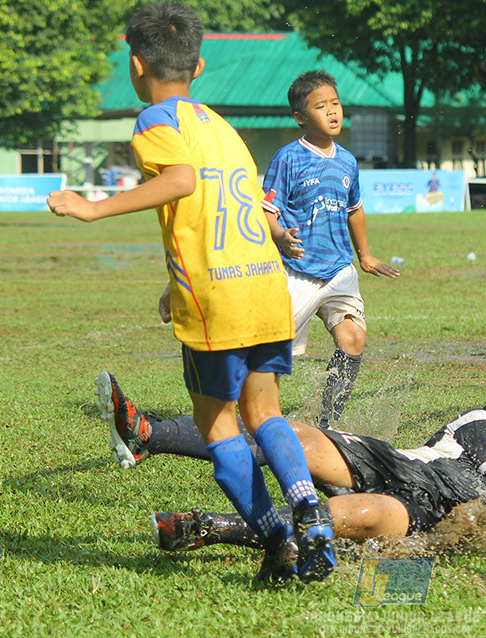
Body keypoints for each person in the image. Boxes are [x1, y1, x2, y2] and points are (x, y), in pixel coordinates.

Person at [46, 1, 334, 585]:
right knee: (267, 413)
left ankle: (276, 534)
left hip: (218, 300)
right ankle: (306, 502)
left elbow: (180, 182)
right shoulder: (220, 125)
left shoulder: (156, 121)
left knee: (218, 426)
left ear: (135, 65)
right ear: (199, 65)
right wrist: (172, 282)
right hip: (263, 285)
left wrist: (93, 208)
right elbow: (226, 208)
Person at [92, 374, 486, 549]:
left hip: (422, 506)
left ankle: (211, 526)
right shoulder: (480, 425)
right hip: (401, 468)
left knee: (345, 521)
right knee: (286, 434)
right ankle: (149, 434)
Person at [259, 70, 400, 430]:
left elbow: (355, 210)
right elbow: (266, 211)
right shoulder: (287, 158)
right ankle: (262, 419)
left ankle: (326, 422)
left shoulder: (348, 161)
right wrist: (279, 237)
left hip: (340, 268)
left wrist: (365, 255)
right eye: (321, 107)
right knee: (273, 355)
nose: (333, 112)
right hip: (299, 271)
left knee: (353, 338)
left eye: (335, 104)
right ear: (301, 118)